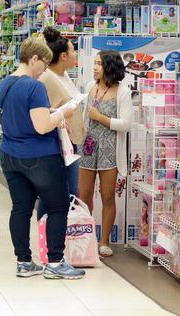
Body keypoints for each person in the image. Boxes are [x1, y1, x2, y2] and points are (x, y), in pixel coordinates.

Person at [0, 36, 85, 280]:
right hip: (41, 157)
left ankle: (24, 261)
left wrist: (51, 112)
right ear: (33, 58)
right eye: (43, 63)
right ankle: (55, 263)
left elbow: (20, 116)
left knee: (20, 208)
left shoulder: (3, 84)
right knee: (57, 207)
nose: (45, 69)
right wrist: (64, 112)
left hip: (10, 155)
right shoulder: (34, 87)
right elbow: (42, 126)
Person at [79, 50, 132, 258]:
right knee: (83, 195)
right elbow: (85, 118)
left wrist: (101, 117)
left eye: (99, 63)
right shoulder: (90, 87)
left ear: (109, 66)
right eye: (94, 63)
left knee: (107, 196)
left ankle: (104, 241)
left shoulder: (123, 92)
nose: (94, 67)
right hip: (88, 147)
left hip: (110, 149)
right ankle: (84, 238)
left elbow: (126, 124)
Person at [37, 28, 84, 219]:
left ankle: (65, 237)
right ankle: (47, 235)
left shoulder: (64, 76)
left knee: (70, 191)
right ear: (63, 55)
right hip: (56, 144)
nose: (75, 55)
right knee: (58, 192)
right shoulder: (47, 78)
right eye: (73, 51)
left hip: (70, 142)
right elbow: (42, 111)